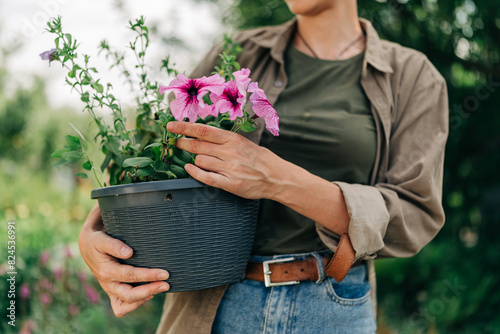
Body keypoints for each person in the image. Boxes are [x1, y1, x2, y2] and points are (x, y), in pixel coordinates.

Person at [79, 0, 449, 333]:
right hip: (212, 305)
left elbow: (414, 214)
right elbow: (157, 161)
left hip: (331, 310)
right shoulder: (238, 52)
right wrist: (92, 235)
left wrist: (276, 179)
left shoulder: (413, 77)